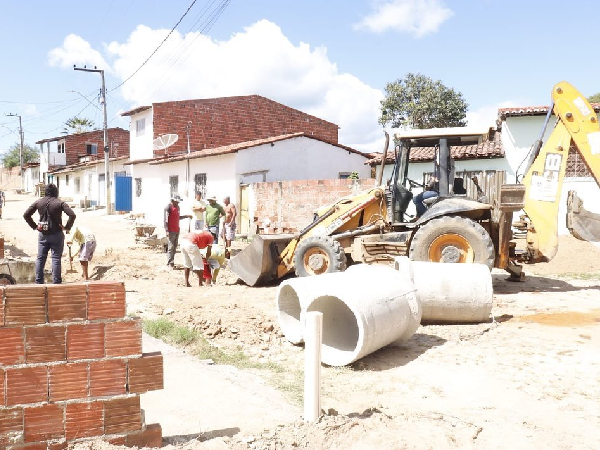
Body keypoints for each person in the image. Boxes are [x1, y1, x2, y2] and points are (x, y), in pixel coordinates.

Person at [23, 183, 76, 284]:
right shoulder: (59, 203)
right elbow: (72, 215)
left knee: (41, 258)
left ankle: (39, 282)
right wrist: (67, 227)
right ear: (56, 192)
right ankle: (56, 282)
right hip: (57, 234)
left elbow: (26, 215)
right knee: (56, 258)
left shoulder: (38, 202)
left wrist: (34, 226)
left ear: (45, 192)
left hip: (43, 234)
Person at [164, 195, 192, 268]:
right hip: (171, 230)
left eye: (178, 202)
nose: (178, 203)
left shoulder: (178, 207)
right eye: (176, 202)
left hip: (177, 230)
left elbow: (177, 217)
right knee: (171, 246)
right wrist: (167, 230)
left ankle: (171, 261)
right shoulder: (168, 208)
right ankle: (170, 263)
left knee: (175, 246)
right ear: (173, 201)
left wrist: (186, 216)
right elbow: (165, 220)